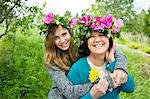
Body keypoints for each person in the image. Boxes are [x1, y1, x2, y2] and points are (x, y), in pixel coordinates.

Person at [42, 13, 129, 99]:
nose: (62, 40)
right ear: (51, 40)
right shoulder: (51, 61)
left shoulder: (79, 45)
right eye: (56, 37)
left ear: (70, 33)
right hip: (63, 94)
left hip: (83, 83)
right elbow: (69, 91)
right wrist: (105, 82)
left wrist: (120, 68)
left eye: (64, 34)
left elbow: (116, 52)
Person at [67, 15, 134, 98]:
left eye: (101, 35)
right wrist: (92, 96)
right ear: (86, 42)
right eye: (92, 36)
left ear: (109, 40)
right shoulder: (77, 69)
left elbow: (130, 88)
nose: (97, 40)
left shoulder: (116, 63)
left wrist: (112, 62)